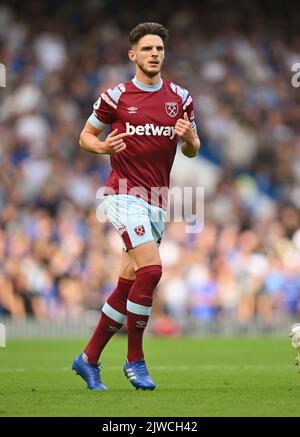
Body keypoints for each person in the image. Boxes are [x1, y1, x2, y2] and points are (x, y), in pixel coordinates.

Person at [72, 22, 200, 391]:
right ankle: (135, 360)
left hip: (158, 200)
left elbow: (192, 148)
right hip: (123, 194)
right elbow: (85, 136)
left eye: (159, 48)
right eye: (147, 49)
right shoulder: (115, 97)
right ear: (133, 55)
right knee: (152, 270)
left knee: (129, 283)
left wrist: (190, 138)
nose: (154, 54)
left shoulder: (181, 97)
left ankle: (88, 358)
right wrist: (102, 148)